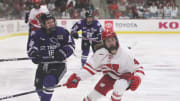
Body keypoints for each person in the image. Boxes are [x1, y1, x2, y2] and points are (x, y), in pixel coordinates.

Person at [64, 30, 145, 101]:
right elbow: (90, 69)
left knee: (119, 86)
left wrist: (137, 79)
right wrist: (77, 78)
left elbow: (139, 68)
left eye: (112, 40)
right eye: (108, 41)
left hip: (126, 76)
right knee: (92, 96)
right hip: (110, 76)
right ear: (104, 43)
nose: (111, 43)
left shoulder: (126, 54)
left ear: (116, 40)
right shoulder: (100, 54)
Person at [28, 13, 75, 101]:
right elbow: (31, 48)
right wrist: (34, 55)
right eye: (48, 23)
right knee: (38, 87)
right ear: (43, 24)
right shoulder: (37, 34)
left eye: (52, 22)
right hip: (43, 64)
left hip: (58, 64)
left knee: (49, 81)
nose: (51, 24)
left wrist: (63, 52)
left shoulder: (62, 31)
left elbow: (71, 45)